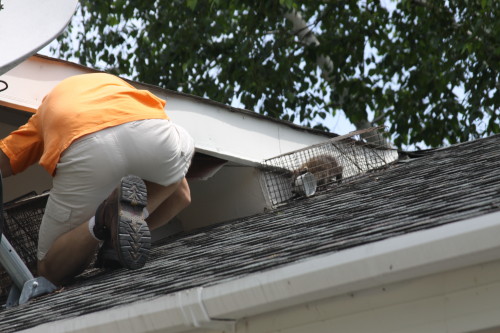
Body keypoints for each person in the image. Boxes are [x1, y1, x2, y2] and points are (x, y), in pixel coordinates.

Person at [0, 73, 194, 286]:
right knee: (175, 173)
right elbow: (182, 197)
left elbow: (6, 159)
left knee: (48, 270)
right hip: (151, 132)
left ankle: (103, 221)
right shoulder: (113, 84)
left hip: (88, 149)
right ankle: (118, 232)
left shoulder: (49, 107)